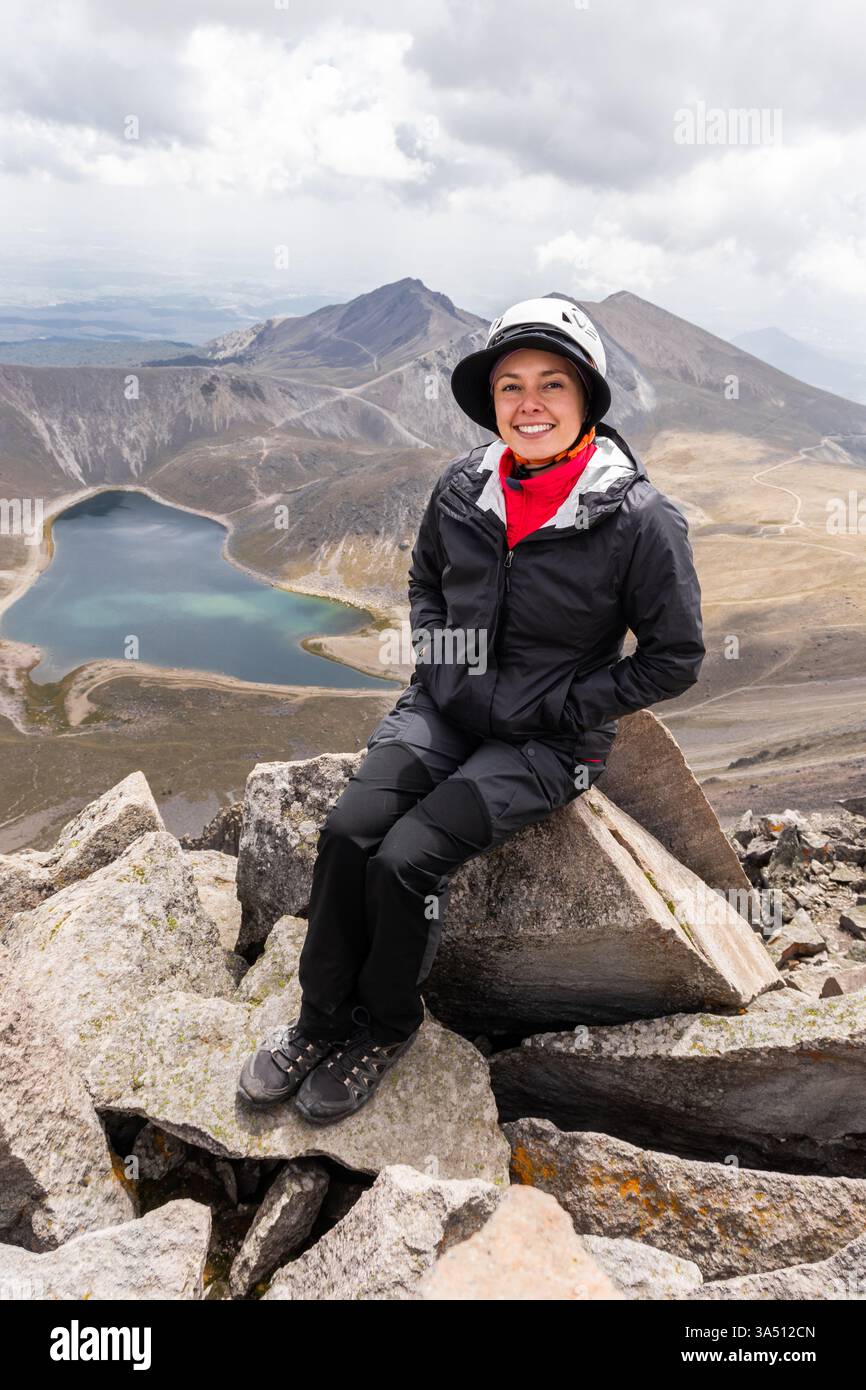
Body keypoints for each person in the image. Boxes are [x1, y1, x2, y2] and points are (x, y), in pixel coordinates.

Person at [237, 295, 706, 1125]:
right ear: (491, 402)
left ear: (588, 398)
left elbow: (675, 657)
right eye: (510, 387)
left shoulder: (638, 519)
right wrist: (441, 661)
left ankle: (384, 1025)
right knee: (349, 834)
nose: (529, 405)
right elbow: (424, 583)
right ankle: (317, 1022)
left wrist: (566, 701)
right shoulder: (465, 485)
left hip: (547, 743)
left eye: (552, 385)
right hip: (444, 710)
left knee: (404, 860)